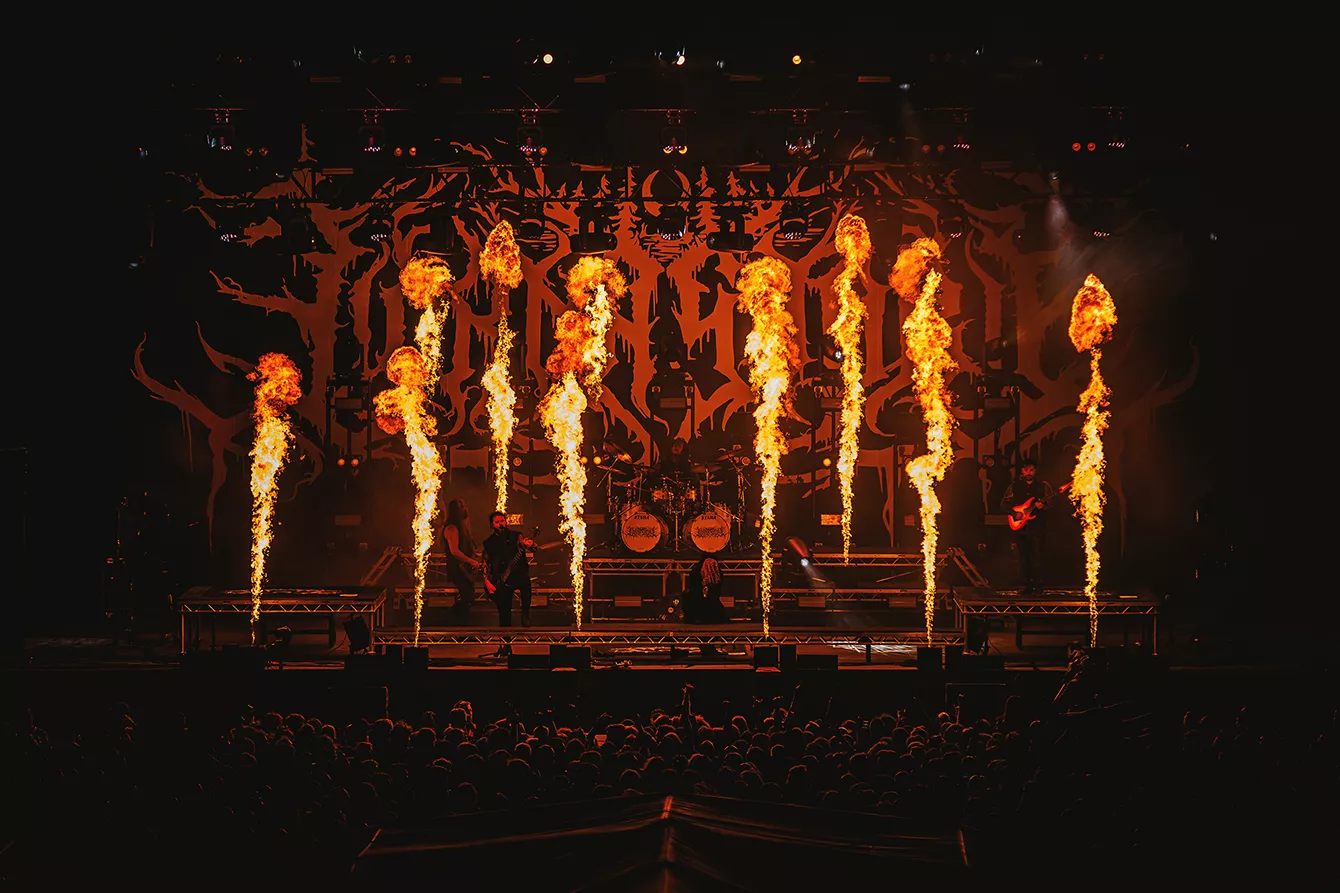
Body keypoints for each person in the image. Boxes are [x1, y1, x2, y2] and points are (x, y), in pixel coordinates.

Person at [1000, 461, 1055, 594]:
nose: (1028, 473)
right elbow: (1004, 504)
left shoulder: (1043, 486)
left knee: (1037, 556)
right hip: (1021, 528)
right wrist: (1015, 514)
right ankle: (1026, 585)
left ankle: (1038, 585)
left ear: (1035, 471)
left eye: (1031, 470)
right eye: (1026, 470)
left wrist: (1043, 506)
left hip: (1037, 527)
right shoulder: (1014, 487)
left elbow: (1050, 504)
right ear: (1022, 472)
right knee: (1023, 557)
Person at [482, 511, 536, 634]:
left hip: (519, 574)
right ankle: (505, 640)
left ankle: (525, 615)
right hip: (503, 578)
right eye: (497, 522)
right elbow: (485, 563)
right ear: (492, 525)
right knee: (504, 612)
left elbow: (532, 547)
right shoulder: (488, 543)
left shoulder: (516, 536)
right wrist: (487, 581)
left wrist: (531, 544)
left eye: (502, 521)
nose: (501, 524)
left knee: (526, 587)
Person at [441, 499, 483, 626]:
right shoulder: (451, 528)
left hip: (464, 568)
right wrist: (471, 561)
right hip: (457, 568)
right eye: (462, 506)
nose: (465, 508)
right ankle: (456, 624)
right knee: (466, 597)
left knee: (468, 596)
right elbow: (454, 551)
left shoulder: (462, 527)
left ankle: (462, 625)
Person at [683, 552, 727, 656]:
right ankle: (708, 648)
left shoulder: (696, 570)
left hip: (700, 609)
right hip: (703, 609)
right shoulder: (707, 572)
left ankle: (708, 648)